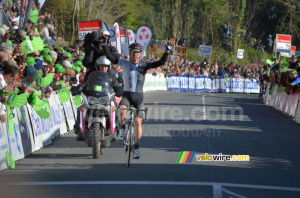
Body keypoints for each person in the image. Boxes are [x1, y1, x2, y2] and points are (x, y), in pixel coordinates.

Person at [103, 42, 172, 159]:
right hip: (127, 96)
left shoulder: (144, 65)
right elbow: (110, 57)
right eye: (133, 52)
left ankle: (136, 147)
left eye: (137, 53)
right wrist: (105, 45)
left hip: (139, 98)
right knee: (122, 110)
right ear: (130, 53)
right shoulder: (123, 63)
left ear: (140, 54)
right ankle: (122, 128)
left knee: (138, 122)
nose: (135, 55)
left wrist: (167, 52)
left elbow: (160, 62)